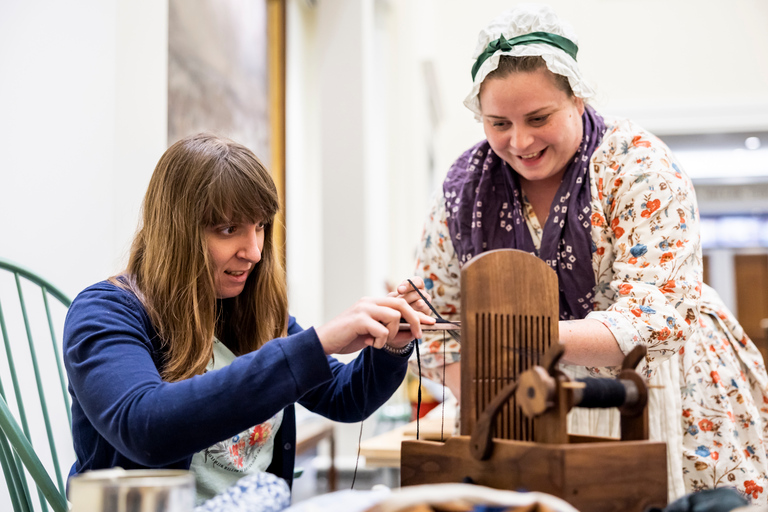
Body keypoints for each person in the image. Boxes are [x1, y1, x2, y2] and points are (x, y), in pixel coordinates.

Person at [413, 3, 768, 504]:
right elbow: (434, 319)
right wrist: (487, 402)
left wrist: (516, 343)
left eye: (539, 117)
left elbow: (654, 319)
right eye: (498, 123)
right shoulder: (462, 190)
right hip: (526, 404)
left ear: (577, 100)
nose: (519, 141)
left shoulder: (638, 166)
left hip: (655, 386)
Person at [63, 133, 435, 503]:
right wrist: (316, 344)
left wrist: (392, 347)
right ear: (176, 231)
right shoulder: (105, 313)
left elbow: (345, 398)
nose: (254, 252)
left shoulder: (250, 309)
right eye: (229, 230)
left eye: (259, 226)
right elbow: (146, 427)